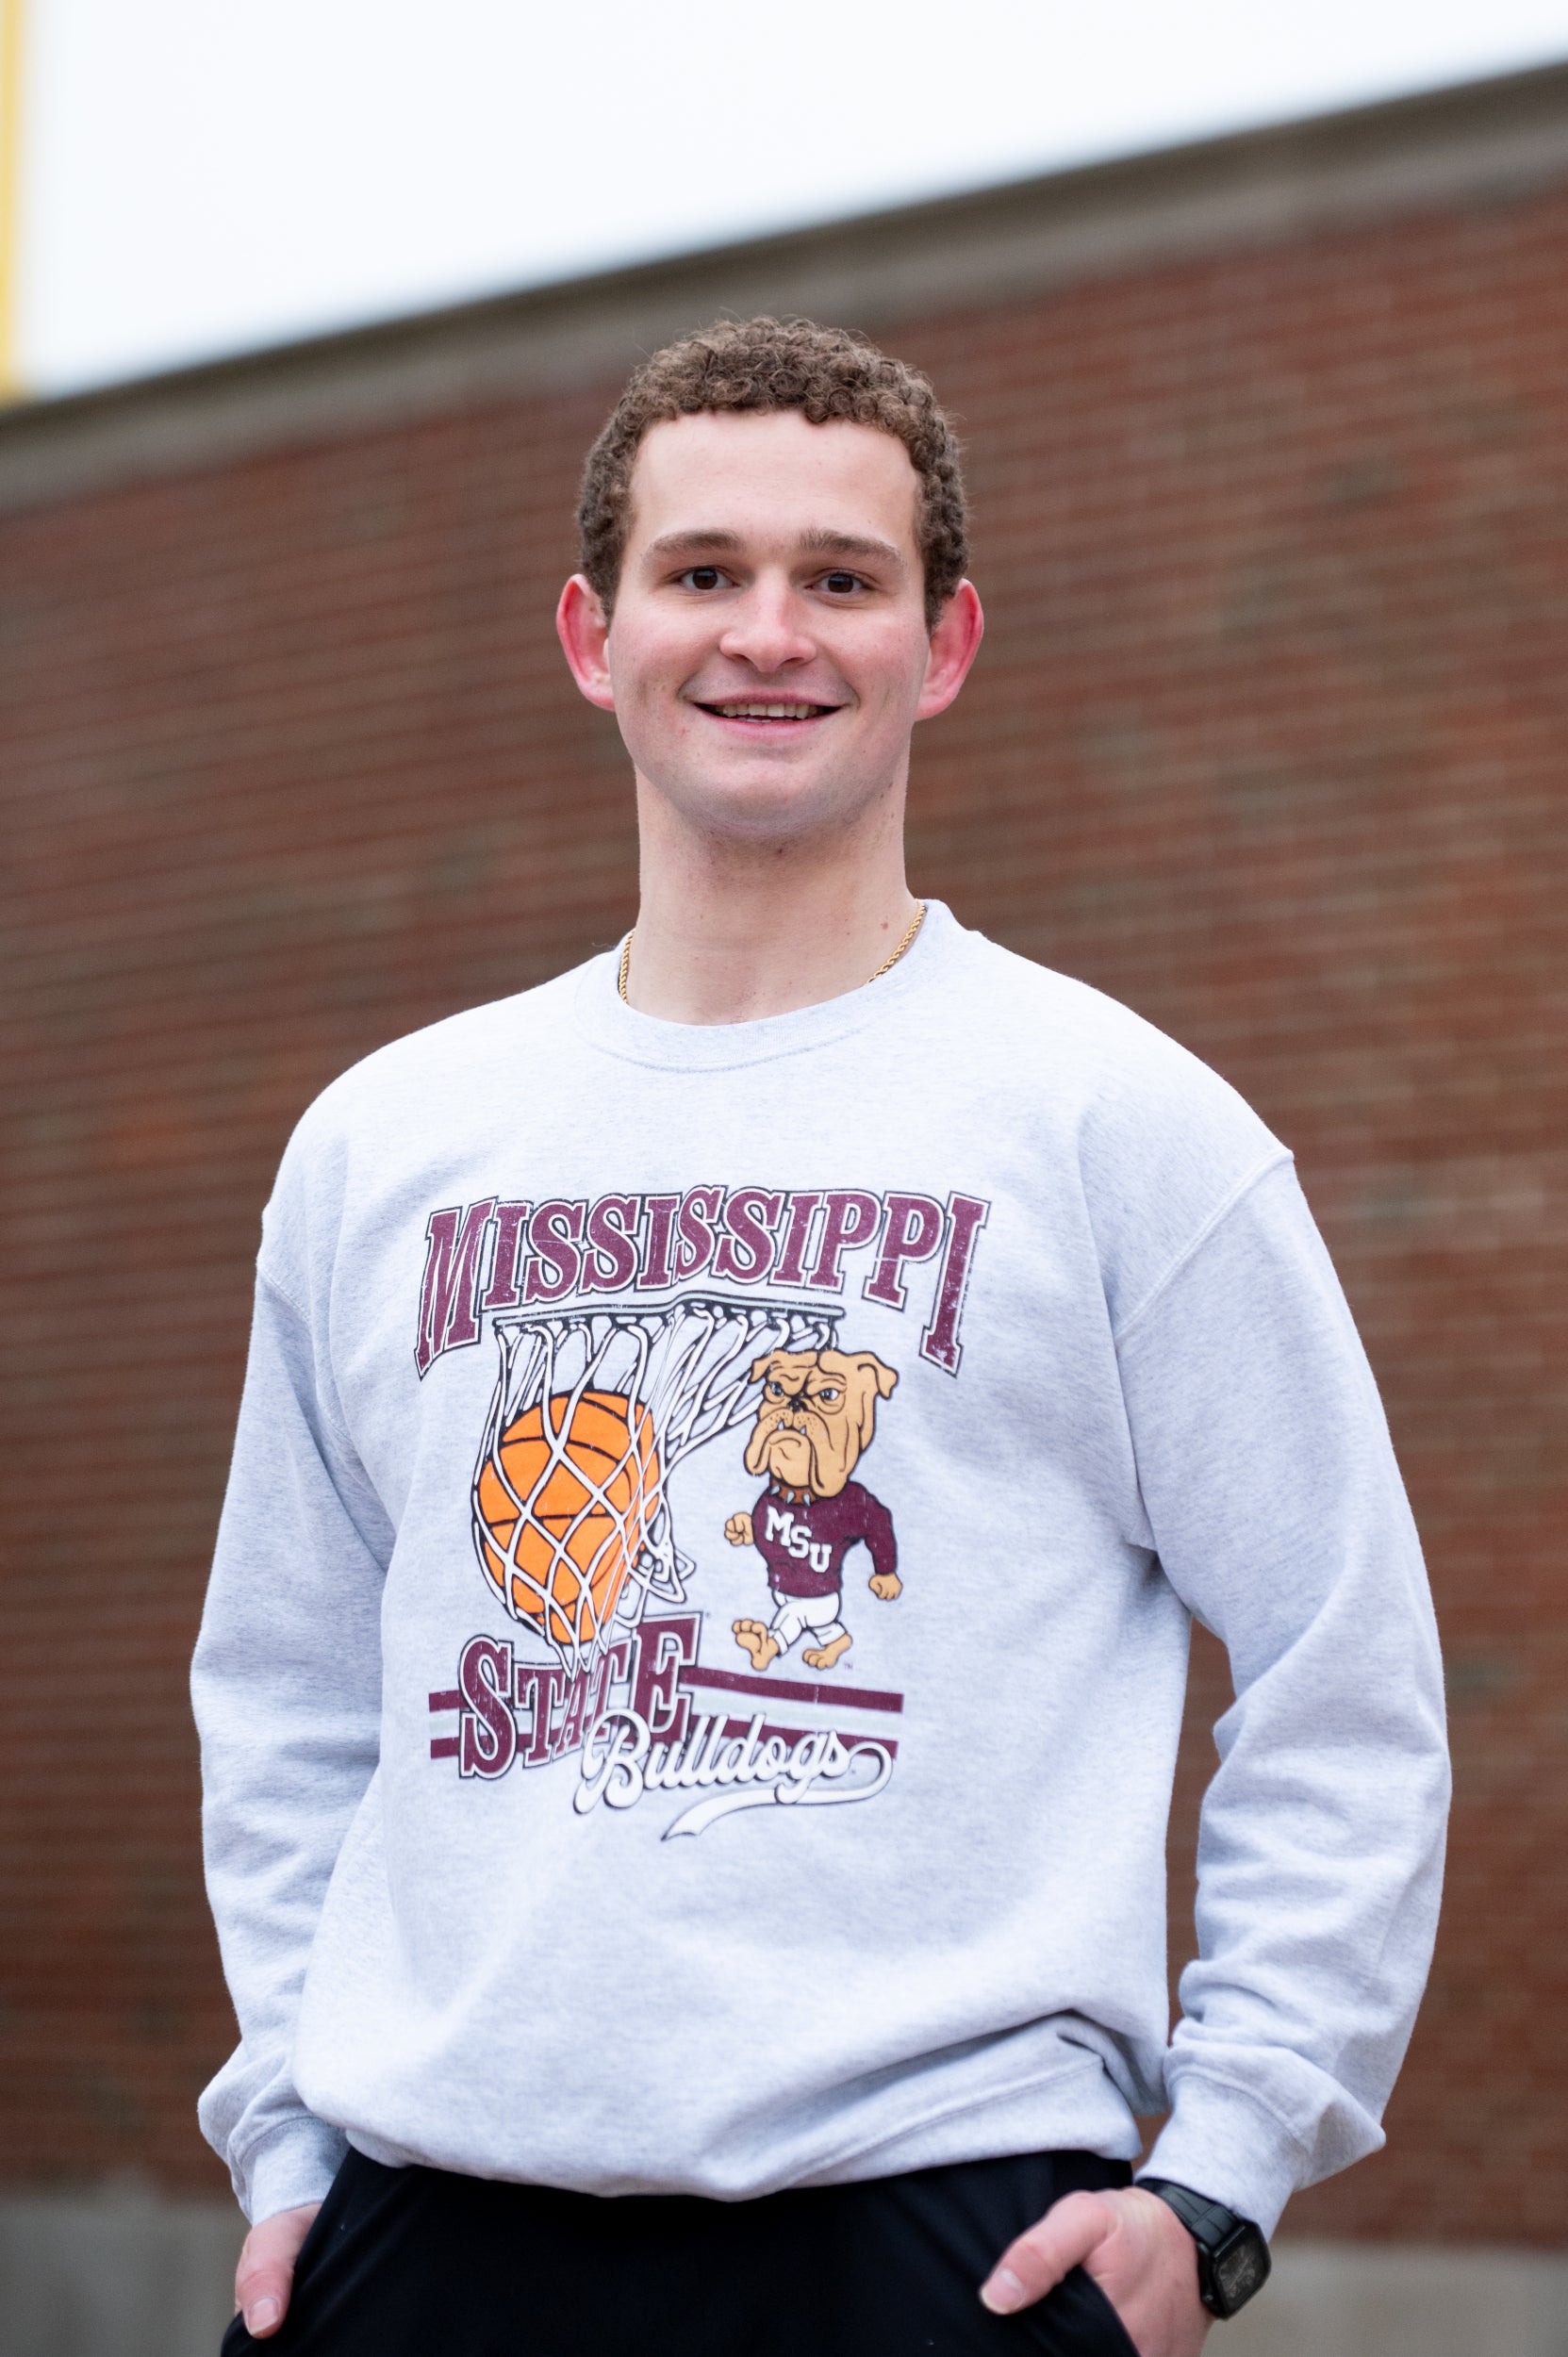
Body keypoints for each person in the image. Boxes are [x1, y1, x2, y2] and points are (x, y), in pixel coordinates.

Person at [192, 316, 1449, 2356]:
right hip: (424, 2227)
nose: (765, 631)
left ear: (939, 644)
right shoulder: (385, 1142)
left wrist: (1217, 2172)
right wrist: (289, 2140)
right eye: (704, 572)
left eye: (837, 580)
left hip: (933, 2238)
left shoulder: (1113, 1122)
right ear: (594, 634)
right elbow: (287, 1690)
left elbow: (1343, 1666)